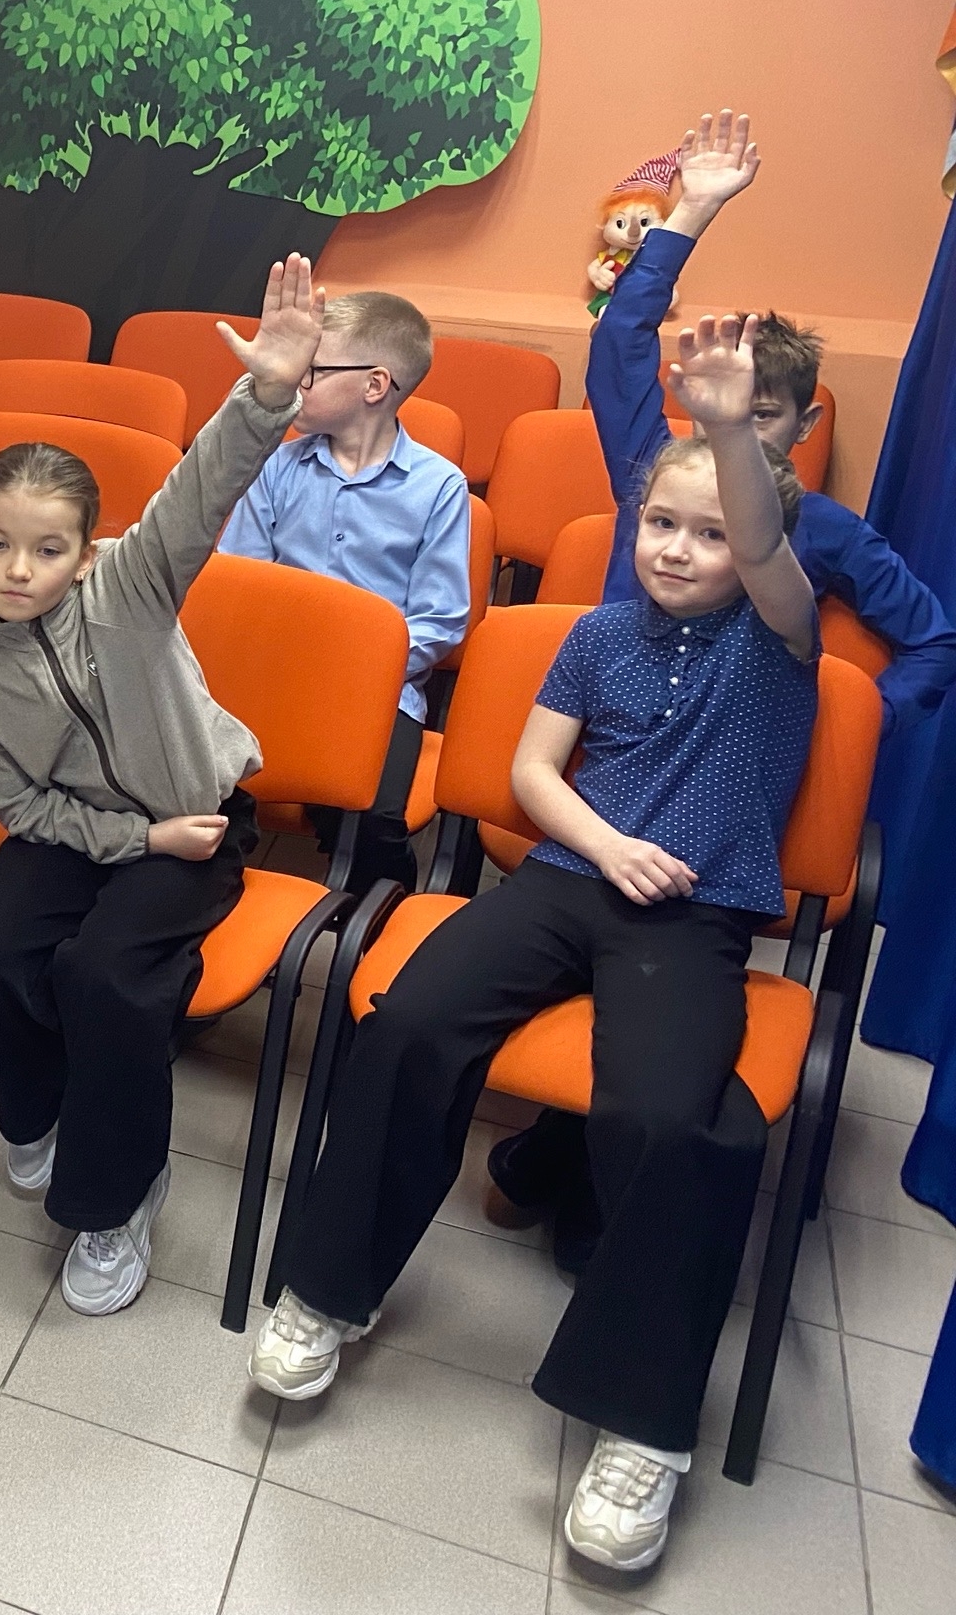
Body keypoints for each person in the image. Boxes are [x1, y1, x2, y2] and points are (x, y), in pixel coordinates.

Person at [253, 314, 822, 1574]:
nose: (678, 549)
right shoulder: (597, 633)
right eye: (660, 523)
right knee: (408, 1020)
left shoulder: (778, 638)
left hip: (692, 917)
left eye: (710, 531)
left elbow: (765, 550)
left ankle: (641, 1426)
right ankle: (327, 1291)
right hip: (569, 878)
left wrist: (727, 431)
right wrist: (605, 846)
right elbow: (528, 773)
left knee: (670, 1120)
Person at [489, 110, 956, 1269]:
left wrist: (844, 732)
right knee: (573, 954)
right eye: (723, 405)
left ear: (802, 425)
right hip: (604, 772)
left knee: (657, 1002)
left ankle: (585, 1176)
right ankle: (552, 1143)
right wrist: (684, 218)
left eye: (764, 414)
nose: (735, 429)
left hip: (714, 807)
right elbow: (617, 345)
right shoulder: (650, 465)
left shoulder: (826, 530)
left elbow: (930, 641)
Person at [0, 258, 323, 1316]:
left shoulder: (132, 585)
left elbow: (200, 489)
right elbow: (21, 810)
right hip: (83, 834)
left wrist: (268, 391)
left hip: (195, 824)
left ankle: (114, 1200)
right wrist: (126, 843)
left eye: (47, 548)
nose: (19, 569)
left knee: (108, 975)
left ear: (85, 551)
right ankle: (38, 1113)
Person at [219, 287, 469, 891]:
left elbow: (440, 619)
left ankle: (377, 908)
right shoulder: (277, 465)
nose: (296, 381)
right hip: (269, 674)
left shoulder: (439, 487)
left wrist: (353, 672)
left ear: (375, 385)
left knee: (374, 819)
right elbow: (239, 580)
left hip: (377, 694)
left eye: (313, 371)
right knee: (196, 780)